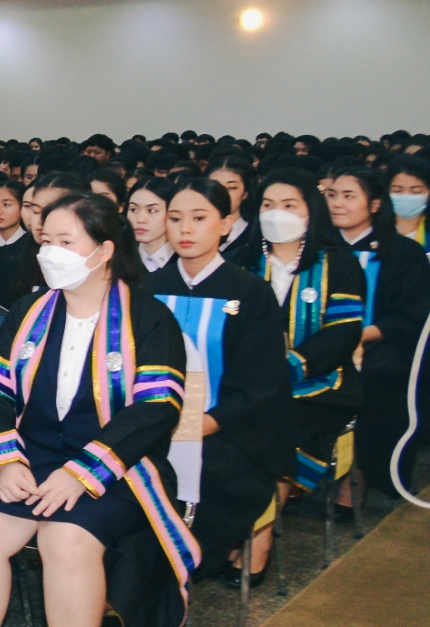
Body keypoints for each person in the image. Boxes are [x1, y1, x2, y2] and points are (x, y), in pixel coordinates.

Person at [0, 194, 192, 627]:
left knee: (67, 538)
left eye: (66, 243)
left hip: (117, 468)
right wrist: (5, 456)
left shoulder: (148, 318)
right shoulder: (30, 310)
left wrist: (83, 474)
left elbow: (154, 412)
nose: (50, 252)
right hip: (32, 459)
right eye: (46, 241)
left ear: (103, 251)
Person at [148, 180, 295, 577]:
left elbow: (260, 384)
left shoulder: (250, 293)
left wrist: (199, 425)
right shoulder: (148, 289)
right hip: (152, 431)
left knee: (207, 480)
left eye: (199, 218)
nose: (185, 230)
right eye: (175, 219)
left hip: (224, 432)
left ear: (226, 224)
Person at [255, 167, 365, 493]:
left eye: (289, 206)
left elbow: (342, 333)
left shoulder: (338, 264)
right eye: (268, 205)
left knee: (277, 425)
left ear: (310, 212)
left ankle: (261, 527)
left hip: (320, 386)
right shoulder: (239, 263)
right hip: (249, 383)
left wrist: (290, 366)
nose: (277, 214)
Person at [326, 165, 430, 498]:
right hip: (319, 348)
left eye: (348, 196)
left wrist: (354, 338)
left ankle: (357, 476)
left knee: (378, 379)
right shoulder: (316, 250)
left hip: (378, 347)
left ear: (374, 204)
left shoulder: (403, 253)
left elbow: (407, 317)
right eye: (331, 195)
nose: (337, 203)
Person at [127, 178, 175, 273]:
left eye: (152, 210)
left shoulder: (185, 262)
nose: (140, 219)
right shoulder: (120, 259)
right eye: (133, 210)